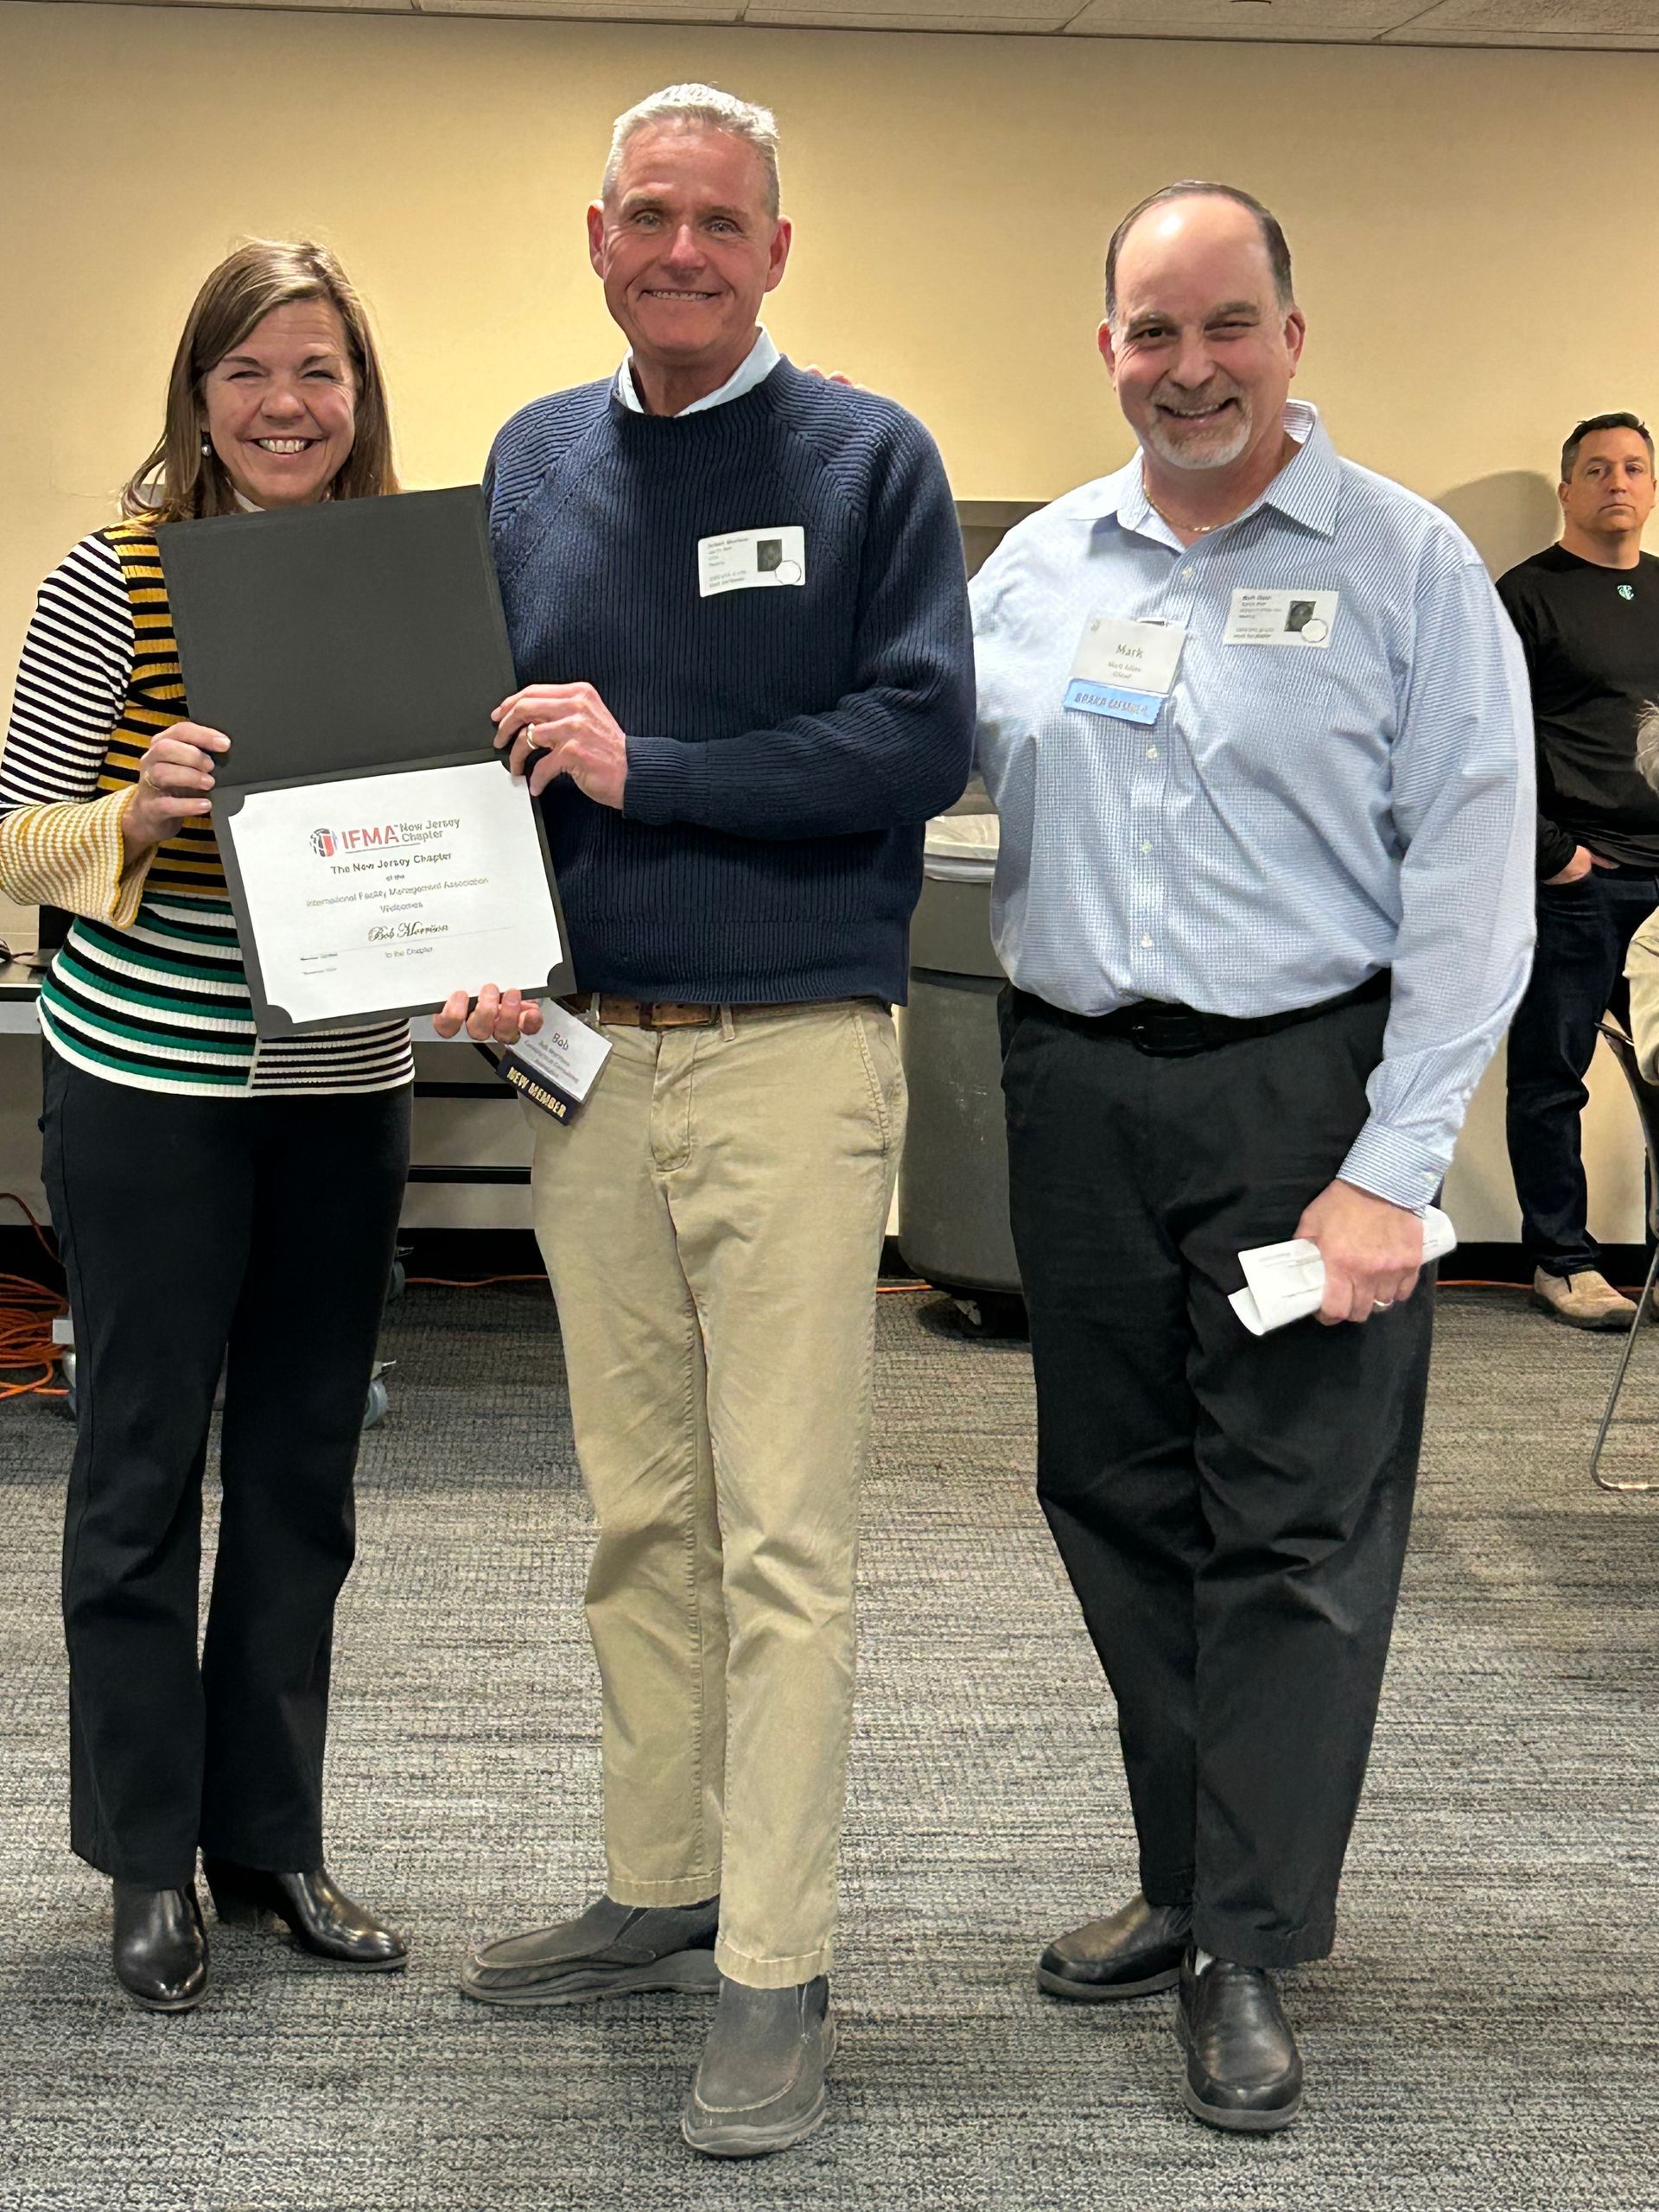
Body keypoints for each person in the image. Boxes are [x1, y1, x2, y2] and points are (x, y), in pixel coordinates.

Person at [973, 182, 1534, 2132]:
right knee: (1116, 1495)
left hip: (1303, 1094)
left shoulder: (1409, 567)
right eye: (1154, 331)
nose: (1191, 367)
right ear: (1106, 349)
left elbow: (1475, 887)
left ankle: (1250, 1941)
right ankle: (1186, 1871)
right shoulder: (1039, 567)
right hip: (1075, 1090)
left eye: (1227, 325)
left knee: (1291, 1527)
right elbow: (888, 769)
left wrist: (1397, 1166)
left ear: (1293, 335)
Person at [457, 84, 973, 2158]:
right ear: (598, 237)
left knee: (783, 1536)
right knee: (638, 1515)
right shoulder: (528, 460)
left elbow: (916, 739)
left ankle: (777, 1959)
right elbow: (484, 747)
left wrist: (646, 765)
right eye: (649, 215)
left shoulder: (870, 459)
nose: (683, 250)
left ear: (776, 249)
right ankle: (661, 1878)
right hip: (583, 1056)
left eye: (721, 221)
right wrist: (476, 943)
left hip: (792, 1052)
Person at [0, 240, 528, 2012]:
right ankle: (148, 1858)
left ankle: (269, 1838)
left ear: (360, 395)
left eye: (319, 371)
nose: (285, 405)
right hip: (150, 1090)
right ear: (198, 393)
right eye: (248, 372)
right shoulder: (116, 576)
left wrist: (483, 936)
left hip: (344, 1089)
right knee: (141, 1468)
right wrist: (131, 812)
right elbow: (12, 835)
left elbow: (451, 812)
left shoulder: (411, 578)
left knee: (305, 1475)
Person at [1498, 415, 1659, 1327]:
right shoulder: (1526, 596)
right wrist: (1554, 857)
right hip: (1580, 882)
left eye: (1633, 467)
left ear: (1653, 487)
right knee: (1553, 1075)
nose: (1616, 483)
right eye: (1596, 469)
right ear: (1567, 489)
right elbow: (1489, 739)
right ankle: (1563, 1261)